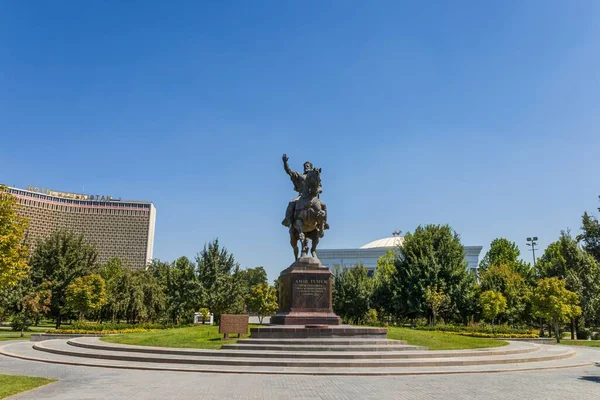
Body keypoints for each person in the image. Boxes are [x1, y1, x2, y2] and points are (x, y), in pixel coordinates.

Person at [281, 154, 324, 227]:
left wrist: (318, 191)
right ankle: (287, 219)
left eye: (308, 165)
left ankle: (324, 223)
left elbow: (320, 187)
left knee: (323, 205)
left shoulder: (314, 177)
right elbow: (289, 171)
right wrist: (285, 163)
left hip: (313, 196)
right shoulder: (300, 176)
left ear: (311, 167)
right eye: (305, 166)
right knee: (291, 202)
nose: (306, 167)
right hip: (301, 196)